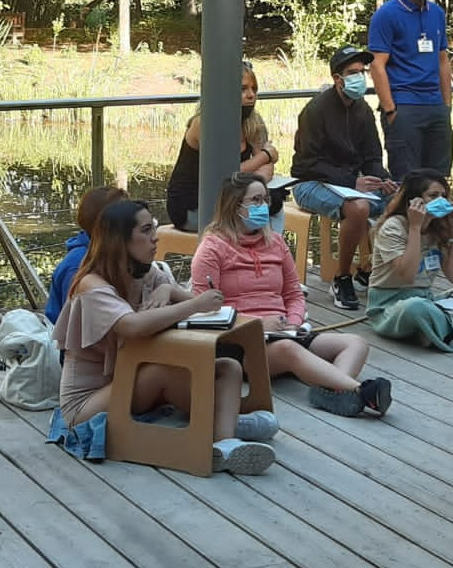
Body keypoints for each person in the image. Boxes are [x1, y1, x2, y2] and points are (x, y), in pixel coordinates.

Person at [56, 199, 278, 475]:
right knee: (162, 372)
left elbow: (212, 307)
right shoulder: (92, 284)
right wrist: (191, 304)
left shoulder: (146, 273)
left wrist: (171, 291)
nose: (155, 238)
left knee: (228, 368)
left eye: (155, 228)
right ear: (121, 240)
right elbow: (132, 326)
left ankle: (225, 442)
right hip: (88, 405)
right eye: (146, 231)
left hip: (130, 383)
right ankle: (228, 423)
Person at [191, 173, 391, 417]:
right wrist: (255, 324)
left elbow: (294, 294)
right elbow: (205, 310)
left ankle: (335, 395)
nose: (263, 205)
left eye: (265, 199)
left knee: (356, 343)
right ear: (234, 205)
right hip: (240, 343)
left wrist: (293, 323)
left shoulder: (275, 242)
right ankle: (361, 392)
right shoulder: (212, 248)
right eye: (255, 200)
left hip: (285, 331)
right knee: (288, 349)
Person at [292, 45, 399, 312]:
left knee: (403, 198)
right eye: (353, 72)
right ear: (337, 79)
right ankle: (342, 278)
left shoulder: (363, 110)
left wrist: (383, 179)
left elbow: (372, 156)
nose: (360, 78)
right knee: (358, 208)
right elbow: (308, 163)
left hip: (351, 182)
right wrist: (351, 181)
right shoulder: (315, 111)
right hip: (309, 183)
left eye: (363, 71)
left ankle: (370, 269)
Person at [368, 0, 453, 180]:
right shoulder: (386, 14)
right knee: (408, 182)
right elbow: (377, 65)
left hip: (435, 107)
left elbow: (443, 61)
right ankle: (407, 218)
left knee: (438, 181)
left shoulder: (436, 13)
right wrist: (391, 111)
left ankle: (436, 219)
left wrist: (446, 105)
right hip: (404, 106)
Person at [164, 60, 278, 232]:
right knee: (253, 216)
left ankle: (270, 257)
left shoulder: (254, 122)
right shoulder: (205, 123)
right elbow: (224, 174)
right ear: (223, 90)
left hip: (228, 199)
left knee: (274, 203)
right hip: (194, 206)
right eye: (243, 89)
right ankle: (247, 257)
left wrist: (250, 178)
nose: (251, 95)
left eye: (254, 89)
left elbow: (266, 172)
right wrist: (265, 156)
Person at [365, 170, 453, 350]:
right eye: (433, 195)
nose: (441, 201)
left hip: (427, 299)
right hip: (390, 307)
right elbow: (407, 275)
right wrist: (415, 227)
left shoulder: (438, 227)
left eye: (444, 196)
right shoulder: (393, 227)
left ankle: (439, 327)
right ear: (414, 200)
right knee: (416, 308)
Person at [45, 186, 130, 325]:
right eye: (126, 216)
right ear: (107, 224)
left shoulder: (110, 251)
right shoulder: (78, 264)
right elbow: (73, 322)